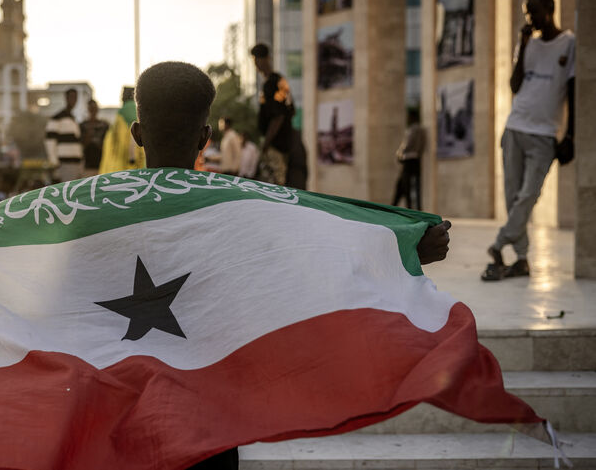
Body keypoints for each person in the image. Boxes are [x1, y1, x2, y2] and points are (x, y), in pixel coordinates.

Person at [130, 61, 451, 469]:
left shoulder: (90, 216)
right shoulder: (242, 210)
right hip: (208, 426)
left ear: (137, 134)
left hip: (127, 421)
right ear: (205, 137)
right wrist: (403, 250)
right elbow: (319, 253)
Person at [482, 0, 575, 282]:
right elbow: (514, 85)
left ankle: (499, 242)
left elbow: (574, 91)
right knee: (512, 197)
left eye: (533, 11)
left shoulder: (569, 43)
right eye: (526, 13)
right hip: (515, 127)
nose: (530, 18)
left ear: (550, 8)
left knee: (528, 196)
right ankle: (521, 259)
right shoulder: (528, 44)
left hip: (545, 134)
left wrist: (570, 135)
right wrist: (522, 47)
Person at [250, 43, 308, 190]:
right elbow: (291, 110)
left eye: (257, 60)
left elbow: (278, 116)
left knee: (277, 185)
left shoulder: (271, 83)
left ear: (265, 59)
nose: (256, 64)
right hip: (286, 139)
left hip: (277, 144)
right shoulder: (280, 80)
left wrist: (267, 142)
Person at [99, 87, 146, 174]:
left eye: (123, 94)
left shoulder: (126, 110)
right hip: (133, 157)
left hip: (126, 159)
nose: (121, 97)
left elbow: (132, 133)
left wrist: (132, 156)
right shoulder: (135, 109)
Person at [44, 88, 83, 182]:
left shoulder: (73, 118)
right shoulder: (57, 118)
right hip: (64, 164)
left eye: (75, 97)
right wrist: (54, 162)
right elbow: (50, 140)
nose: (73, 100)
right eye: (71, 97)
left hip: (76, 163)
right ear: (66, 98)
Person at [392, 108, 426, 210]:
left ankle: (406, 207)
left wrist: (400, 153)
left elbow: (407, 143)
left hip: (408, 160)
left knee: (405, 185)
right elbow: (422, 145)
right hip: (416, 159)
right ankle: (413, 207)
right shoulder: (421, 130)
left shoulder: (413, 129)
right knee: (413, 185)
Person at [79, 99, 109, 177]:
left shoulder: (104, 125)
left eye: (94, 108)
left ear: (97, 109)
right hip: (87, 165)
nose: (93, 111)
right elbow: (81, 145)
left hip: (102, 164)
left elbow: (108, 144)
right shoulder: (82, 125)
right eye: (91, 108)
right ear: (88, 109)